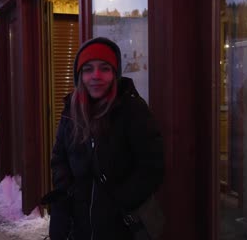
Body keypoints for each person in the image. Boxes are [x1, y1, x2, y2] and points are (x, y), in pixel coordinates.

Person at [42, 37, 164, 240]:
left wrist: (120, 201)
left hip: (121, 227)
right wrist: (69, 191)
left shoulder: (133, 110)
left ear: (115, 74)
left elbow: (152, 166)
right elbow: (59, 158)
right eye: (88, 69)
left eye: (105, 68)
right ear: (79, 75)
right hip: (78, 224)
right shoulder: (71, 111)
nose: (96, 76)